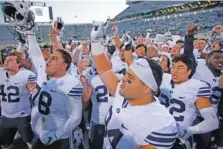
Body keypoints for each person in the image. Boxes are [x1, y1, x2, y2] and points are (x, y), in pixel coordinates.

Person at [90, 21, 177, 149]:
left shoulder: (161, 122)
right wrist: (96, 42)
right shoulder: (125, 93)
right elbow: (104, 70)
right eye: (126, 74)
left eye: (130, 79)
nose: (123, 80)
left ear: (147, 88)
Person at [160, 54, 219, 148]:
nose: (174, 71)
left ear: (189, 71)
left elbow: (212, 122)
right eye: (173, 67)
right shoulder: (163, 78)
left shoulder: (197, 87)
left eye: (180, 67)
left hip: (179, 139)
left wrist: (189, 130)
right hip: (157, 134)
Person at [31, 49, 83, 149]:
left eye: (54, 58)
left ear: (64, 65)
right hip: (44, 134)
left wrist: (55, 135)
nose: (48, 61)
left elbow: (75, 118)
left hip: (61, 138)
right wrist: (41, 131)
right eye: (49, 58)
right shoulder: (50, 81)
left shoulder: (72, 83)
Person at [0, 52, 36, 149]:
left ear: (19, 63)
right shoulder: (0, 72)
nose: (6, 62)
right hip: (5, 116)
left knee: (30, 143)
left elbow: (35, 93)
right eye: (6, 60)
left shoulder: (27, 75)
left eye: (10, 60)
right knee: (5, 144)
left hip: (23, 116)